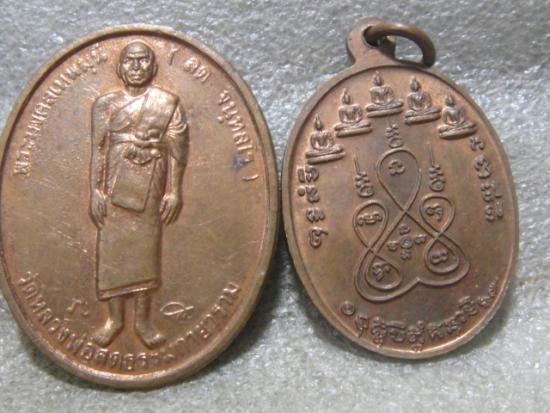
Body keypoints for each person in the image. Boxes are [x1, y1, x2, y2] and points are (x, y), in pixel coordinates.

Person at [89, 41, 188, 348]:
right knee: (111, 248)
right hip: (114, 184)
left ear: (153, 67)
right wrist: (95, 190)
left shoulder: (167, 103)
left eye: (143, 60)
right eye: (129, 61)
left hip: (150, 182)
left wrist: (174, 191)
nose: (136, 66)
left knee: (146, 248)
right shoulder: (105, 104)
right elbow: (98, 150)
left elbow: (179, 151)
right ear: (120, 68)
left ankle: (143, 321)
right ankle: (114, 320)